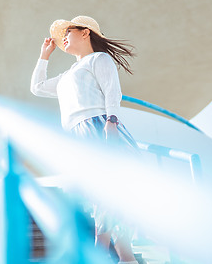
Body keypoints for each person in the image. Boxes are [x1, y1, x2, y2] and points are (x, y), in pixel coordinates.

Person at [30, 15, 142, 264]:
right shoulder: (69, 74)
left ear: (85, 33)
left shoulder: (98, 59)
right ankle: (126, 257)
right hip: (77, 136)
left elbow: (113, 91)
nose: (63, 39)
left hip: (99, 128)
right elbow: (37, 87)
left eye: (68, 32)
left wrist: (111, 122)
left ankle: (103, 253)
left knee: (106, 192)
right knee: (100, 195)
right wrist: (44, 56)